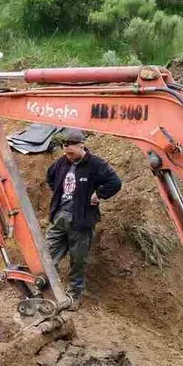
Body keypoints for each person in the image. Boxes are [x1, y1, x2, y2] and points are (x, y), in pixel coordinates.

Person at [45, 129, 122, 304]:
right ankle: (45, 287)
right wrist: (59, 193)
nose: (68, 156)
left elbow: (115, 183)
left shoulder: (96, 164)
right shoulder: (61, 162)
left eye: (71, 152)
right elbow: (50, 177)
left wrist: (99, 194)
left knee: (77, 260)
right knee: (48, 253)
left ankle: (74, 295)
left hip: (81, 220)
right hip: (60, 216)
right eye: (65, 152)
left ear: (81, 146)